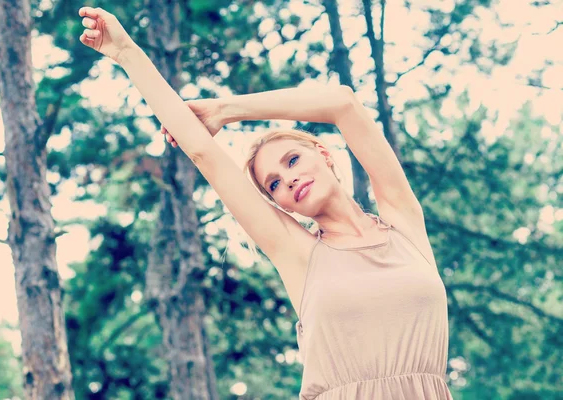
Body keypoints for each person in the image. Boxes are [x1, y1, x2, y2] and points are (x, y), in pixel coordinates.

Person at [78, 6, 453, 399]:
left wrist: (228, 109)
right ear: (283, 205)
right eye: (273, 184)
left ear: (323, 155)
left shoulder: (405, 224)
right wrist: (125, 52)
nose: (288, 179)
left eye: (293, 160)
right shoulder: (300, 255)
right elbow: (202, 152)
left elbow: (344, 103)